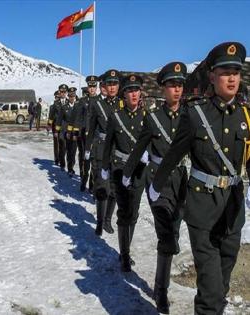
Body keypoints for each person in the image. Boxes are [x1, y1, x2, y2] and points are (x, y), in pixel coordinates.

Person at [149, 42, 249, 315]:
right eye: (225, 72)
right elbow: (172, 155)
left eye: (236, 72)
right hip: (203, 211)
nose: (231, 78)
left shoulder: (246, 116)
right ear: (212, 77)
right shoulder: (196, 114)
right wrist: (156, 186)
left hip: (233, 210)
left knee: (222, 286)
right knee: (211, 292)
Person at [122, 62, 188, 313]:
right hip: (157, 181)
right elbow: (139, 148)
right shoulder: (153, 119)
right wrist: (127, 173)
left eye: (180, 85)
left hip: (182, 180)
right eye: (172, 85)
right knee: (166, 233)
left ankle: (161, 281)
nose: (177, 90)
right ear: (162, 89)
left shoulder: (190, 116)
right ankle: (162, 290)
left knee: (174, 230)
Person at [101, 74, 147, 272]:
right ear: (124, 94)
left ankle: (126, 249)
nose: (134, 94)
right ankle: (124, 255)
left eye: (136, 90)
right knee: (124, 212)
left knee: (134, 213)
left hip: (139, 171)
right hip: (120, 169)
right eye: (130, 90)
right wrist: (104, 167)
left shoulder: (147, 117)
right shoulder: (115, 117)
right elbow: (108, 144)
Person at [85, 70, 122, 236]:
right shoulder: (97, 104)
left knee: (114, 189)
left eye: (115, 84)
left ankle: (108, 220)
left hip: (118, 150)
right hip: (101, 150)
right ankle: (100, 222)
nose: (112, 87)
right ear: (105, 86)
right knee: (102, 188)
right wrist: (87, 148)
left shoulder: (123, 104)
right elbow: (92, 128)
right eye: (109, 84)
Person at [74, 75, 99, 191]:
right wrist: (76, 132)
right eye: (90, 86)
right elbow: (78, 118)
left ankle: (92, 185)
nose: (92, 89)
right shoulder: (82, 101)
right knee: (85, 160)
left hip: (96, 136)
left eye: (94, 86)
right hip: (84, 136)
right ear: (88, 87)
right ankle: (83, 181)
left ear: (97, 87)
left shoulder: (100, 101)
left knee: (94, 162)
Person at [56, 87, 78, 176]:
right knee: (68, 151)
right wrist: (58, 132)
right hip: (67, 133)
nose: (72, 98)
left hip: (76, 132)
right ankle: (70, 168)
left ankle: (71, 165)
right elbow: (59, 119)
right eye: (70, 96)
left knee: (74, 151)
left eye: (73, 96)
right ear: (68, 96)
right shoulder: (64, 107)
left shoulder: (79, 106)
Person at [55, 84, 69, 170]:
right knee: (62, 147)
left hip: (69, 128)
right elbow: (54, 116)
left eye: (64, 92)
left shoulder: (70, 102)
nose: (63, 93)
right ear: (59, 92)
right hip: (60, 128)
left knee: (69, 147)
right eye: (61, 92)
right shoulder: (56, 103)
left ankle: (69, 164)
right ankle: (62, 164)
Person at [47, 91, 61, 165]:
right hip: (55, 127)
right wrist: (49, 125)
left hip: (62, 127)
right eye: (56, 97)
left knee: (62, 143)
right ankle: (56, 159)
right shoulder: (52, 106)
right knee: (56, 143)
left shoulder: (63, 105)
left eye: (58, 97)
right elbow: (50, 117)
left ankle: (61, 158)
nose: (57, 98)